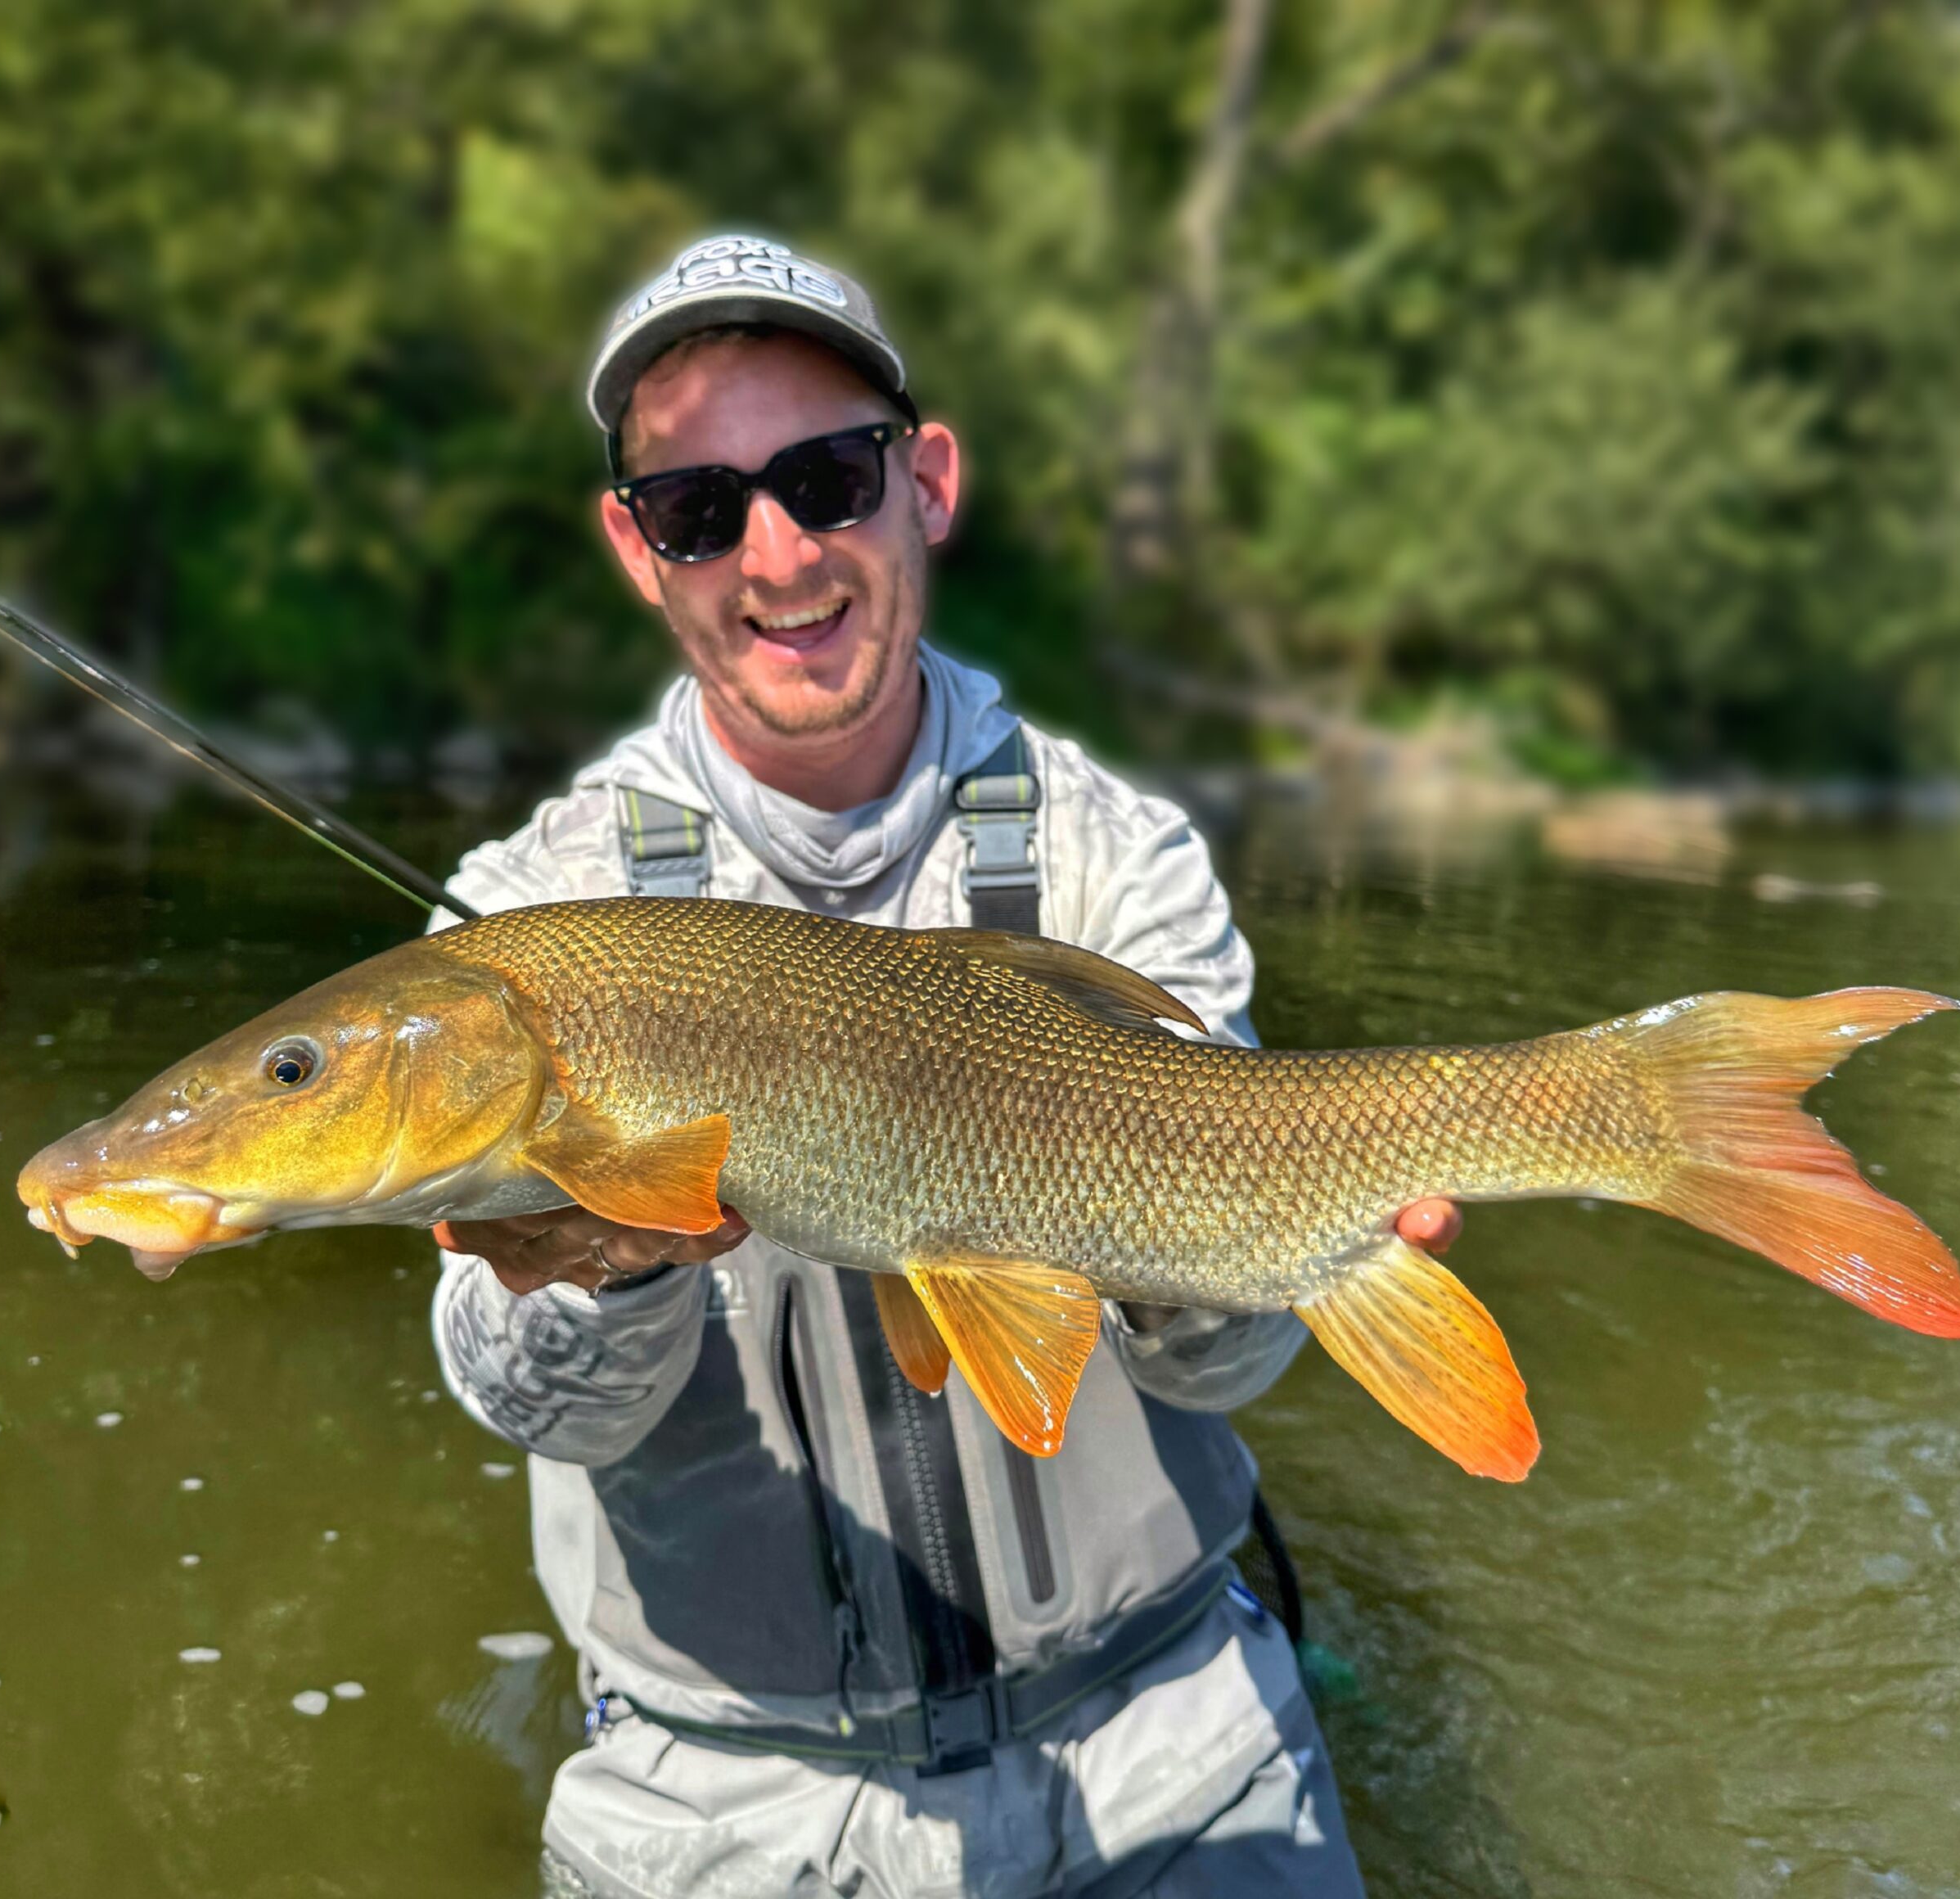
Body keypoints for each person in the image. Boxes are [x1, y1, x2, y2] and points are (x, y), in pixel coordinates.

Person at [429, 232, 1459, 1899]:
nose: (777, 552)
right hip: (719, 1800)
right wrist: (609, 1261)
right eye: (698, 507)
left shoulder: (1118, 851)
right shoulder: (521, 917)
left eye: (827, 478)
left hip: (1174, 1737)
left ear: (925, 483)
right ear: (637, 548)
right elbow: (517, 1397)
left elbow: (1226, 1370)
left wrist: (1233, 1246)